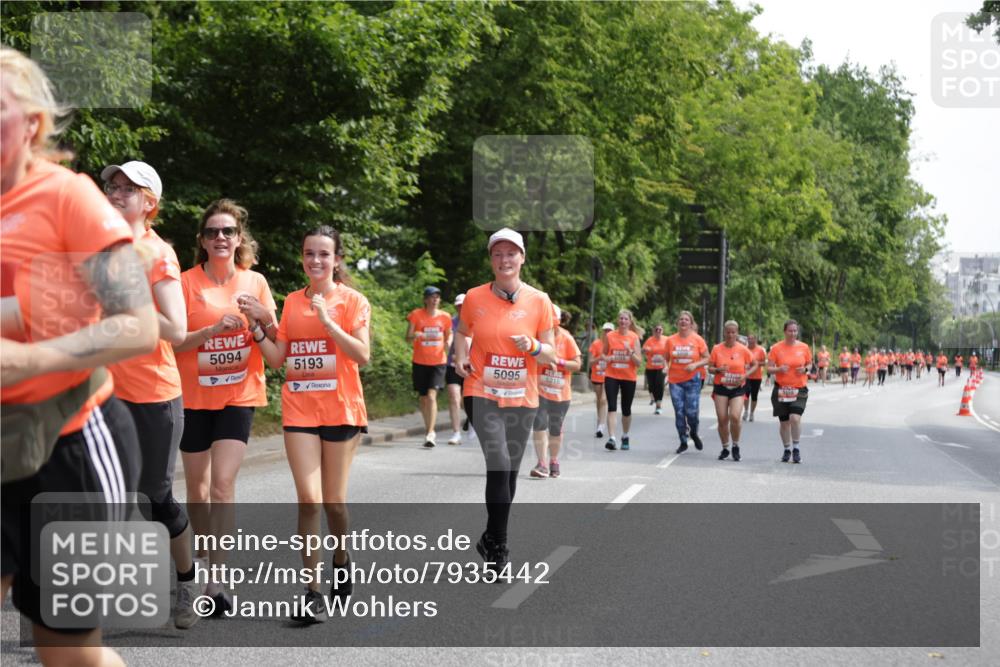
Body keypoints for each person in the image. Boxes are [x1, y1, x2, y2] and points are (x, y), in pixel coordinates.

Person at [1, 47, 158, 667]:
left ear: (32, 124)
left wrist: (29, 361)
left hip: (74, 447)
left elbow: (139, 326)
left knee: (65, 653)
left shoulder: (68, 199)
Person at [253, 226, 371, 622]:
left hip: (341, 410)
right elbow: (278, 358)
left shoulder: (352, 301)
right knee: (309, 499)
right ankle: (313, 592)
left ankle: (342, 557)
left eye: (324, 254)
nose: (316, 260)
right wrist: (256, 329)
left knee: (334, 503)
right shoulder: (291, 302)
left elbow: (362, 355)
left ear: (336, 260)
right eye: (309, 253)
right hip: (300, 410)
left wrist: (328, 322)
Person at [101, 161, 200, 629]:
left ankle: (186, 580)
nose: (116, 193)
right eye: (113, 186)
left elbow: (177, 329)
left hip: (153, 395)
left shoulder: (158, 254)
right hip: (103, 394)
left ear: (149, 203)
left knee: (155, 499)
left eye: (129, 188)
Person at [174, 199, 277, 614]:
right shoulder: (184, 283)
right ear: (202, 240)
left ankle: (217, 580)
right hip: (193, 397)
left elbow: (277, 341)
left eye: (228, 231)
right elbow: (172, 343)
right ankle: (200, 557)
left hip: (239, 395)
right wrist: (212, 330)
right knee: (197, 490)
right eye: (213, 232)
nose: (221, 237)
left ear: (239, 239)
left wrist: (261, 319)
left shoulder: (256, 282)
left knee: (222, 486)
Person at [453, 228, 555, 573]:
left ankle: (490, 536)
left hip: (522, 396)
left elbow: (551, 353)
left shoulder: (539, 300)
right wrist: (459, 357)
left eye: (511, 253)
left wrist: (535, 346)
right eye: (498, 254)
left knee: (509, 471)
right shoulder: (474, 297)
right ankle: (499, 545)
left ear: (522, 258)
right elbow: (462, 332)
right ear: (491, 260)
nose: (504, 259)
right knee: (498, 462)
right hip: (481, 390)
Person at [530, 306, 582, 478]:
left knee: (555, 429)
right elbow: (530, 357)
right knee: (539, 424)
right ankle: (542, 463)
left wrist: (558, 362)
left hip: (560, 393)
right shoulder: (538, 337)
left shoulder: (566, 338)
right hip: (539, 390)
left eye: (551, 321)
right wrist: (543, 360)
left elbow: (577, 364)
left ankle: (553, 460)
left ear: (558, 321)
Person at [406, 286, 453, 447]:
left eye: (437, 297)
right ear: (425, 299)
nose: (435, 300)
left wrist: (449, 342)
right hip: (419, 361)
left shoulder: (445, 317)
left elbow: (449, 334)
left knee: (432, 396)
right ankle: (428, 429)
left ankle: (431, 433)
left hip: (438, 362)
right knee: (423, 398)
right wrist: (415, 335)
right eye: (432, 297)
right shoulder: (416, 315)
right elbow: (408, 337)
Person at [708, 321, 757, 461]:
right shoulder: (717, 348)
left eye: (733, 332)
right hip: (721, 387)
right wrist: (718, 370)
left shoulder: (743, 349)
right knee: (722, 419)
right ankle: (725, 447)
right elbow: (710, 368)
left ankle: (735, 445)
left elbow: (755, 364)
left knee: (735, 416)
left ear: (737, 333)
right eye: (728, 332)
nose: (730, 335)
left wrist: (745, 375)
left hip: (738, 388)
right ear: (724, 333)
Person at [766, 320, 812, 464]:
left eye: (795, 331)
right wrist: (779, 369)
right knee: (784, 423)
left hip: (799, 389)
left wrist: (805, 369)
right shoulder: (776, 348)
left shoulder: (804, 347)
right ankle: (787, 449)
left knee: (795, 418)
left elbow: (810, 364)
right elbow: (769, 368)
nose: (793, 333)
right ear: (785, 331)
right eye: (790, 331)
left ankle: (796, 449)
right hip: (782, 389)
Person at [665, 310, 709, 453]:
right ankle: (683, 440)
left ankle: (694, 432)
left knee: (691, 412)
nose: (683, 321)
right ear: (677, 323)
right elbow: (666, 358)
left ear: (691, 323)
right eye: (681, 319)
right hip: (675, 381)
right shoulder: (670, 340)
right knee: (679, 412)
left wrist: (695, 365)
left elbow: (708, 358)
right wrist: (665, 367)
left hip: (692, 380)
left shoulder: (698, 339)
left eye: (686, 319)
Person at [601, 309, 643, 451]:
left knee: (626, 409)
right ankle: (612, 438)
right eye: (621, 318)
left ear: (630, 322)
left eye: (626, 319)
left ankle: (625, 435)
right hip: (611, 375)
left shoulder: (634, 337)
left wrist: (630, 351)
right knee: (612, 406)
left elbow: (638, 362)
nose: (623, 321)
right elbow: (603, 354)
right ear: (618, 321)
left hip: (628, 376)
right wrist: (608, 358)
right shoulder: (610, 336)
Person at [445, 293, 473, 445]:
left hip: (471, 367)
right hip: (453, 365)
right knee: (454, 396)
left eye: (463, 305)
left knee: (468, 400)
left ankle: (472, 421)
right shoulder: (451, 322)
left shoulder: (476, 322)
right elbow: (447, 339)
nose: (461, 308)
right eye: (458, 306)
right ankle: (456, 432)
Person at [589, 322, 613, 437]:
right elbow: (590, 362)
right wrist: (600, 357)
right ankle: (600, 420)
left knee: (603, 399)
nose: (607, 332)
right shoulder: (596, 344)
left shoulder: (614, 345)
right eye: (606, 330)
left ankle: (601, 426)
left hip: (609, 376)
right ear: (602, 332)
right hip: (597, 376)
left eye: (610, 331)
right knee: (599, 400)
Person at [642, 323, 668, 415]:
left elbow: (670, 352)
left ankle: (658, 406)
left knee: (659, 385)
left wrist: (668, 364)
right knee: (652, 386)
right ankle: (655, 400)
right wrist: (645, 350)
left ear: (662, 331)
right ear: (654, 331)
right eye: (656, 329)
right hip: (650, 367)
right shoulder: (650, 340)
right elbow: (643, 350)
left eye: (660, 329)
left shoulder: (667, 340)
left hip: (662, 367)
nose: (658, 331)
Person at [742, 334, 767, 421]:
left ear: (755, 340)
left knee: (754, 396)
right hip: (746, 375)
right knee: (746, 395)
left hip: (757, 376)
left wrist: (756, 363)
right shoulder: (744, 349)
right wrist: (745, 365)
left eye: (752, 339)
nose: (750, 340)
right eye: (749, 338)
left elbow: (764, 363)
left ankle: (752, 413)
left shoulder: (760, 350)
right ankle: (746, 411)